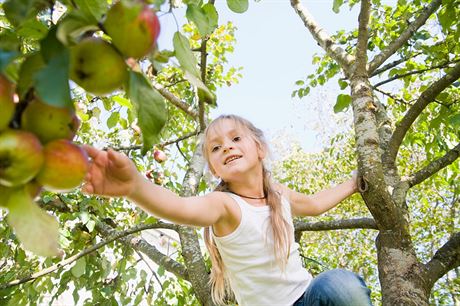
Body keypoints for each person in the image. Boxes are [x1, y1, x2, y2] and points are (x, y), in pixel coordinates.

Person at [82, 114, 373, 306]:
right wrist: (135, 187)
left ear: (259, 149)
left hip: (310, 298)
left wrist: (355, 182)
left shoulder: (278, 195)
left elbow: (314, 204)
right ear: (213, 168)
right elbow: (178, 206)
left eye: (236, 139)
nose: (227, 148)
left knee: (340, 285)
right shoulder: (225, 206)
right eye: (216, 148)